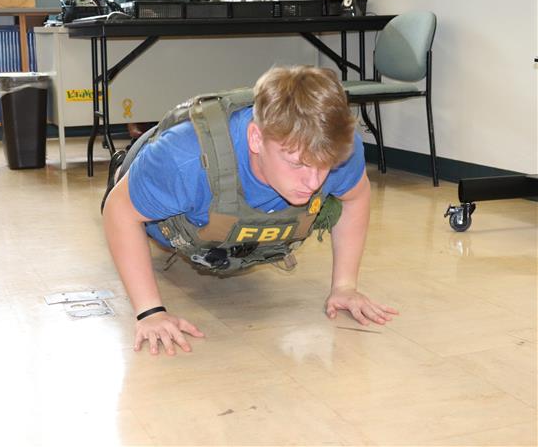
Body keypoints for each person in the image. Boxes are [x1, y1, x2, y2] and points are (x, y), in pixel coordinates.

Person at [102, 65, 398, 356]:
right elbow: (119, 213)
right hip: (155, 181)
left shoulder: (332, 146)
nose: (314, 181)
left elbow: (356, 197)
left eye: (326, 166)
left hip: (217, 225)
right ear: (256, 139)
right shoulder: (183, 159)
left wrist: (345, 286)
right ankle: (122, 164)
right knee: (132, 191)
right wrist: (150, 312)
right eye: (297, 163)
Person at [103, 0, 190, 138]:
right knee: (126, 61)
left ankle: (166, 119)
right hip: (127, 44)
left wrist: (156, 14)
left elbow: (184, 9)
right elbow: (108, 13)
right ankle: (134, 119)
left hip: (165, 43)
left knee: (171, 60)